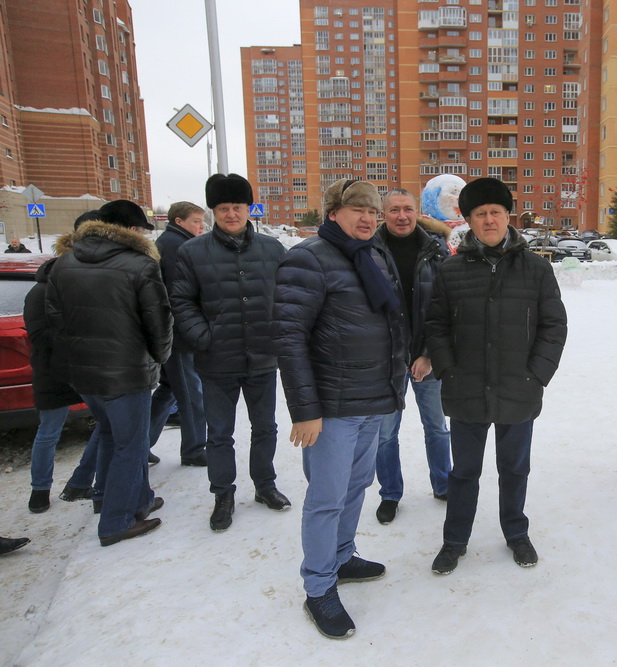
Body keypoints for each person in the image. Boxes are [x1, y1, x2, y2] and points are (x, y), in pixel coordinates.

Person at [273, 178, 407, 639]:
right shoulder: (307, 259)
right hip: (331, 407)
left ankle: (343, 556)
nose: (368, 218)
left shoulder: (374, 254)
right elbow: (289, 340)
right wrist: (304, 410)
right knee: (326, 498)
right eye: (357, 210)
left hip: (373, 398)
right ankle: (318, 586)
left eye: (373, 210)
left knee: (356, 487)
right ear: (333, 212)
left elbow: (392, 322)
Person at [424, 177, 567, 575]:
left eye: (496, 213)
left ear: (508, 217)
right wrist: (448, 368)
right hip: (466, 388)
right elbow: (435, 324)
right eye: (480, 214)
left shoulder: (536, 268)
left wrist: (536, 374)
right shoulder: (451, 270)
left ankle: (516, 533)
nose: (489, 220)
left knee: (514, 469)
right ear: (469, 219)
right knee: (464, 472)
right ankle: (454, 541)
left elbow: (553, 326)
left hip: (518, 389)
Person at [45, 199, 171, 546]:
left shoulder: (64, 262)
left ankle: (130, 500)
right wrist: (159, 358)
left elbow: (55, 319)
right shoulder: (139, 265)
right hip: (126, 373)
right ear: (131, 230)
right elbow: (158, 322)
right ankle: (115, 521)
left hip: (83, 374)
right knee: (131, 444)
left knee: (113, 435)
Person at [172, 174, 288, 532]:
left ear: (248, 208)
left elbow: (290, 296)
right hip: (216, 360)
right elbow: (180, 300)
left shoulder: (272, 250)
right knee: (220, 433)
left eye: (237, 207)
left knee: (265, 427)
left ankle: (265, 485)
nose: (231, 214)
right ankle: (223, 493)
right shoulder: (192, 252)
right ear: (214, 211)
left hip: (263, 357)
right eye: (223, 208)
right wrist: (203, 337)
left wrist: (281, 334)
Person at [371, 188, 452, 525]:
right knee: (386, 433)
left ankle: (444, 483)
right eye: (394, 210)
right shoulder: (368, 251)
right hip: (387, 362)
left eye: (407, 209)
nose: (401, 216)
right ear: (383, 214)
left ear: (416, 212)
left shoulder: (436, 251)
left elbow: (448, 308)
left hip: (426, 360)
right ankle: (390, 493)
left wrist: (429, 355)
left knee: (436, 426)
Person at [23, 212, 103, 514]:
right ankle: (40, 490)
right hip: (54, 372)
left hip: (80, 370)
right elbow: (40, 336)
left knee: (106, 423)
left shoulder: (72, 287)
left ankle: (81, 479)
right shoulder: (40, 293)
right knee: (49, 432)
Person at [148, 201, 208, 467]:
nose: (201, 225)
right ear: (179, 221)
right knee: (191, 392)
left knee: (169, 388)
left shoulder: (170, 242)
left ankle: (141, 442)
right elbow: (179, 294)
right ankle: (194, 449)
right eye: (196, 220)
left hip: (170, 332)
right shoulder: (176, 246)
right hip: (179, 335)